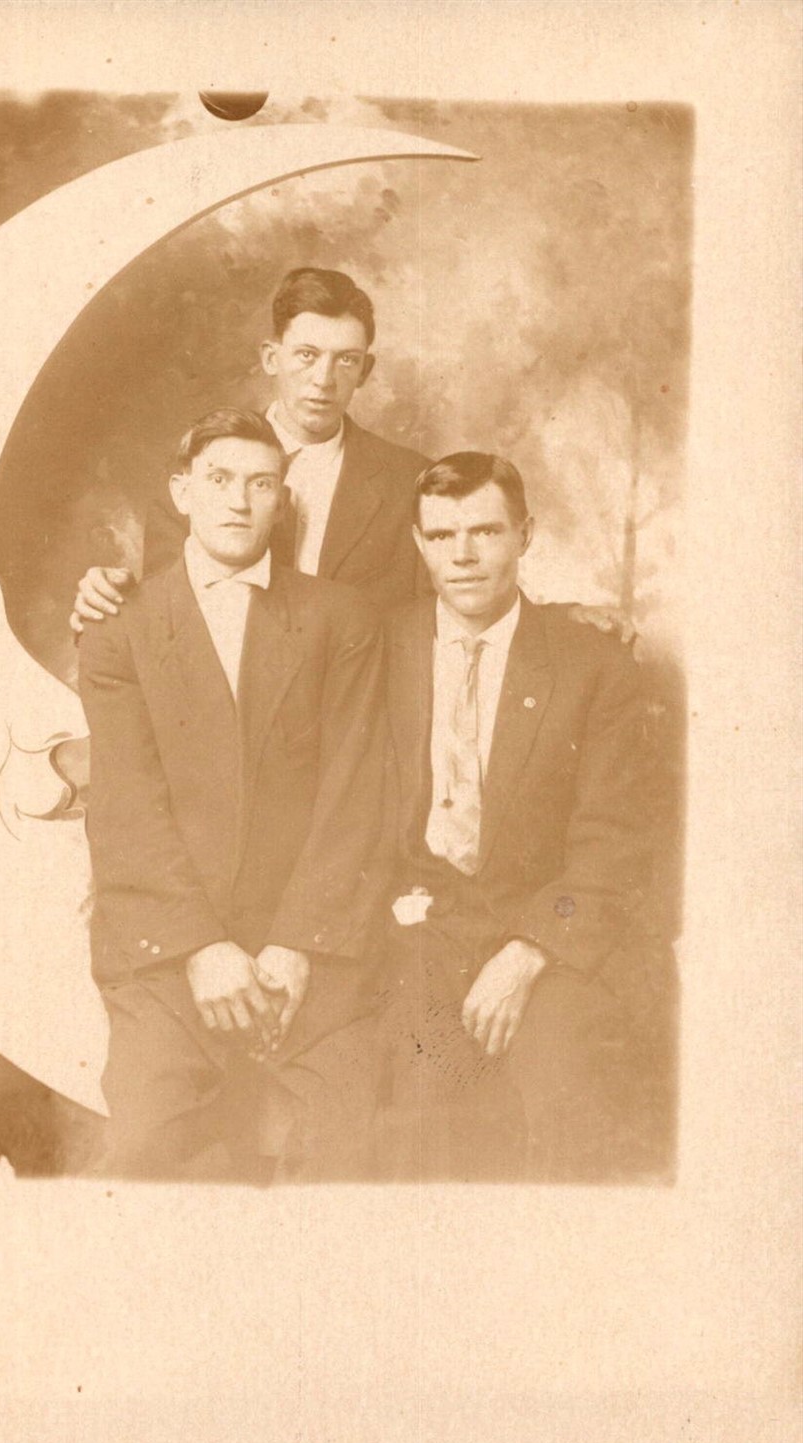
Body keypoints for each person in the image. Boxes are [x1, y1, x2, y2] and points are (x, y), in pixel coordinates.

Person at [76, 408, 389, 1183]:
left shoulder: (338, 617)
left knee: (347, 1158)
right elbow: (126, 806)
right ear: (182, 492)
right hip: (172, 951)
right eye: (218, 480)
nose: (239, 502)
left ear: (283, 501)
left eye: (261, 483)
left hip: (307, 950)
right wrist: (201, 951)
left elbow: (356, 793)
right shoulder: (120, 629)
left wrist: (297, 943)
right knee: (147, 1148)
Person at [379, 451, 673, 1182]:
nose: (464, 555)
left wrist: (527, 952)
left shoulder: (591, 664)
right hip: (424, 934)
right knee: (416, 1116)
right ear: (418, 544)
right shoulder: (377, 646)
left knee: (562, 1097)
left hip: (549, 934)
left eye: (485, 531)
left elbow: (615, 845)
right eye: (441, 537)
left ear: (525, 535)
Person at [70, 265, 431, 626]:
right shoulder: (200, 462)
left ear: (365, 370)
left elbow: (430, 624)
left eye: (346, 360)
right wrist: (111, 594)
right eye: (307, 355)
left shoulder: (409, 480)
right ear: (271, 358)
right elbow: (167, 611)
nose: (324, 380)